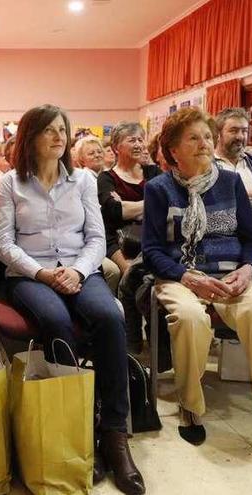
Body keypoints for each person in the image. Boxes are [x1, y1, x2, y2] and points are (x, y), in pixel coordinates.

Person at [141, 107, 252, 477]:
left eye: (208, 138)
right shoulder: (159, 189)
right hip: (183, 276)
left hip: (234, 275)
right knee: (190, 317)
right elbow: (151, 251)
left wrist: (248, 270)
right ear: (173, 149)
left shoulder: (230, 183)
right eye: (193, 138)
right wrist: (187, 277)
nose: (204, 145)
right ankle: (190, 405)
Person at [0, 104, 144, 495]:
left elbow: (97, 237)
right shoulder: (11, 183)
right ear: (30, 137)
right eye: (49, 130)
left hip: (79, 269)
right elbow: (3, 245)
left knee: (110, 316)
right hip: (30, 274)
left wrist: (77, 271)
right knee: (56, 322)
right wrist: (44, 274)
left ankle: (113, 434)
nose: (59, 137)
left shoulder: (83, 181)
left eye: (63, 130)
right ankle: (73, 429)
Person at [98, 122, 160, 352]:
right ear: (115, 146)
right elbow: (113, 212)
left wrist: (128, 206)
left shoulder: (154, 173)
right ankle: (131, 345)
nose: (139, 144)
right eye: (131, 139)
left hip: (152, 243)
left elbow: (165, 205)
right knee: (131, 278)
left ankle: (157, 348)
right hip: (118, 244)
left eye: (141, 139)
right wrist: (150, 203)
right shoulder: (106, 179)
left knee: (154, 281)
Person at [213, 107, 252, 208]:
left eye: (244, 131)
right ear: (219, 134)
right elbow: (215, 203)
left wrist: (234, 196)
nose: (240, 136)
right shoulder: (208, 165)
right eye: (233, 131)